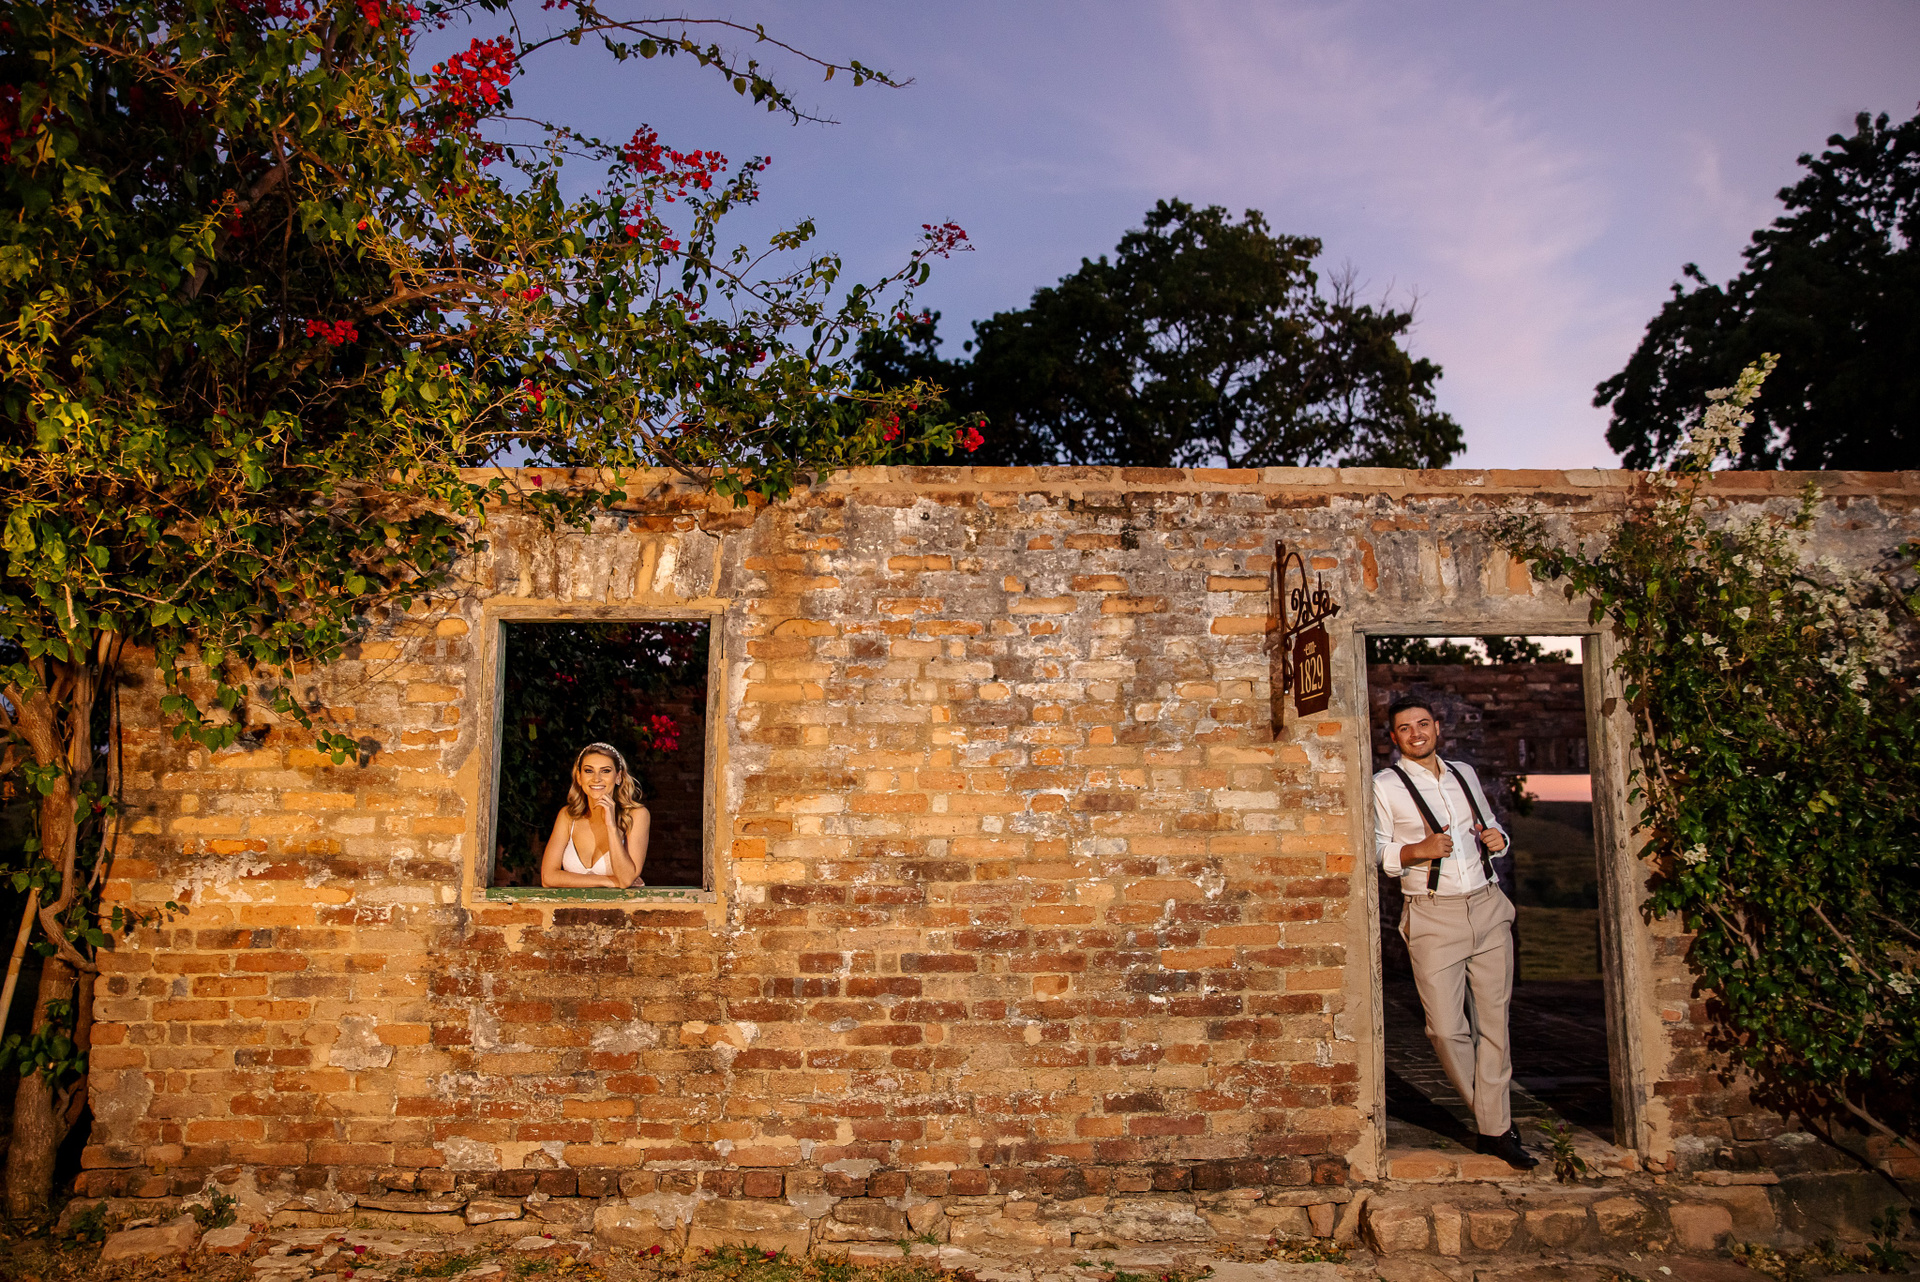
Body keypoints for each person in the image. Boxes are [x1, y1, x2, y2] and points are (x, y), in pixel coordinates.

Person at [1374, 695, 1537, 1170]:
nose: (1417, 734)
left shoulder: (1464, 773)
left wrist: (1499, 840)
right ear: (1394, 737)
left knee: (1494, 1025)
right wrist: (1418, 850)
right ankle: (1492, 1118)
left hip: (1487, 905)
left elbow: (1491, 826)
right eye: (1406, 728)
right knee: (1446, 1030)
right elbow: (1379, 852)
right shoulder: (1384, 785)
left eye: (1423, 724)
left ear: (1438, 728)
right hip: (1432, 915)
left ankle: (1496, 1130)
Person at [540, 742, 650, 888]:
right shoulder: (568, 816)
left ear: (618, 777)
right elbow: (547, 878)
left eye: (605, 771)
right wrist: (608, 881)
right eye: (589, 771)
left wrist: (611, 826)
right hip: (571, 904)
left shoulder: (637, 816)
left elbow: (625, 879)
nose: (596, 778)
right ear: (579, 777)